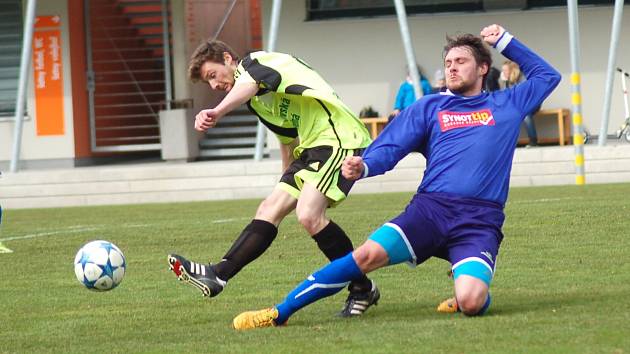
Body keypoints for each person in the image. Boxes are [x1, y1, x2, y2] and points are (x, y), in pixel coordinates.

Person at [231, 23, 561, 330]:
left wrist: (505, 41)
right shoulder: (429, 107)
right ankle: (279, 312)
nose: (452, 67)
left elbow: (548, 76)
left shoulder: (509, 103)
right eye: (448, 62)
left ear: (483, 68)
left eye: (461, 61)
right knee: (365, 256)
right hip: (431, 211)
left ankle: (465, 296)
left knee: (472, 302)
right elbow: (389, 147)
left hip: (479, 221)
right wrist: (364, 166)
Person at [167, 40, 381, 317]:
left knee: (308, 215)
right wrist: (285, 183)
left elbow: (249, 85)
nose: (214, 85)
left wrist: (216, 112)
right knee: (269, 208)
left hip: (338, 137)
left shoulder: (255, 63)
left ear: (227, 58)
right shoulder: (257, 101)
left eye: (212, 75)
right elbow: (287, 139)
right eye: (208, 82)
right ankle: (218, 274)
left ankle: (362, 287)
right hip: (312, 147)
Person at [500, 60, 539, 146]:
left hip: (531, 103)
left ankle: (533, 141)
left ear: (511, 70)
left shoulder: (522, 78)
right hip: (517, 106)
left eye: (505, 70)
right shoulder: (506, 82)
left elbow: (527, 95)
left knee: (526, 115)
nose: (503, 73)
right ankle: (506, 143)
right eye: (502, 70)